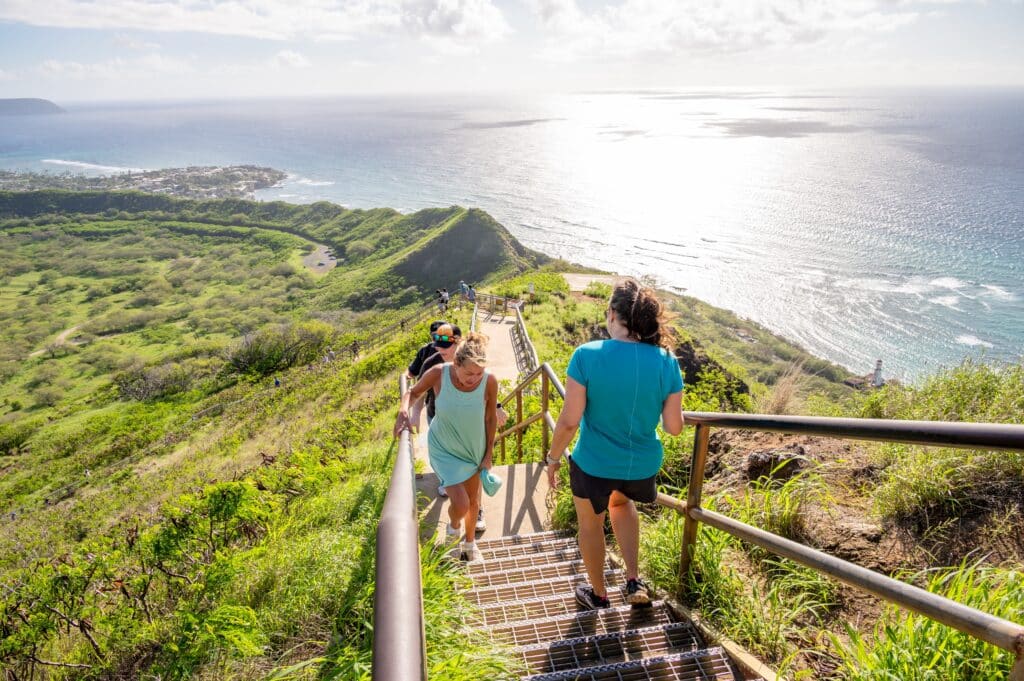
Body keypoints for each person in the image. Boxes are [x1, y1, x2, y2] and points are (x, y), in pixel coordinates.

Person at [543, 278, 684, 609]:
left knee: (591, 524)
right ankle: (634, 580)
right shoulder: (667, 361)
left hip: (595, 462)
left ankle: (599, 595)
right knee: (621, 505)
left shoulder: (587, 355)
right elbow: (674, 427)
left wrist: (552, 459)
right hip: (641, 465)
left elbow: (568, 421)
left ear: (611, 315)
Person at [395, 332, 498, 561]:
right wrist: (404, 410)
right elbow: (413, 393)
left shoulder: (489, 381)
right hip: (444, 449)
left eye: (478, 373)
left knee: (473, 502)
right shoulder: (439, 374)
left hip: (473, 448)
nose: (474, 379)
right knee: (460, 504)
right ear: (456, 364)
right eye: (469, 373)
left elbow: (491, 419)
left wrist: (488, 453)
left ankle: (470, 546)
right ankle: (453, 532)